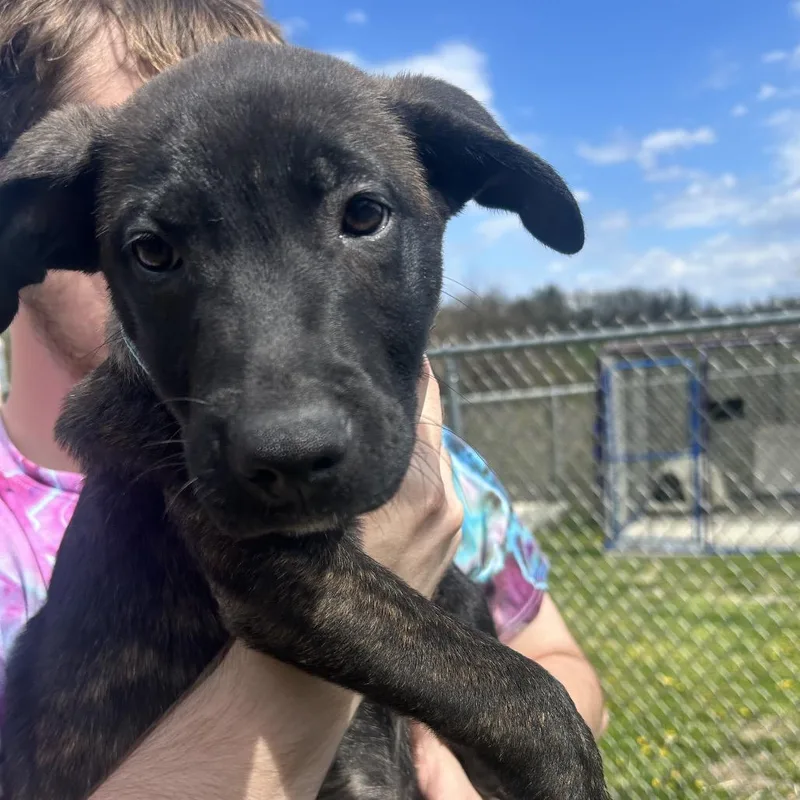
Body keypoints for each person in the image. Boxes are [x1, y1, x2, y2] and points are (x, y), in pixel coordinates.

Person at [0, 2, 607, 798]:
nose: (285, 424)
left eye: (361, 214)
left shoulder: (449, 471)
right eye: (158, 249)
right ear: (53, 219)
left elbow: (553, 664)